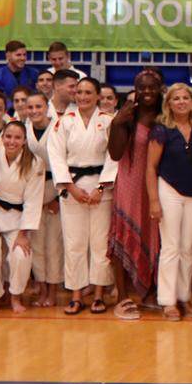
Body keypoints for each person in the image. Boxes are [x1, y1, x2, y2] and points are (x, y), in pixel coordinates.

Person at [47, 77, 119, 316]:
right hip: (73, 187)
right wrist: (70, 187)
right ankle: (76, 295)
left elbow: (115, 156)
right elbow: (56, 157)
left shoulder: (109, 121)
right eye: (79, 92)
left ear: (98, 95)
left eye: (89, 92)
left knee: (100, 243)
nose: (83, 96)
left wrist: (101, 188)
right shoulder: (63, 123)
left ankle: (98, 294)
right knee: (74, 243)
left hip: (101, 187)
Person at [146, 83, 192, 321]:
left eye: (185, 98)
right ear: (169, 103)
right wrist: (153, 201)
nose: (181, 102)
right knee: (171, 247)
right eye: (176, 99)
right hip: (168, 188)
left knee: (187, 248)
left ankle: (185, 296)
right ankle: (167, 301)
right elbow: (150, 167)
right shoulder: (161, 129)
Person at [107, 70, 164, 321]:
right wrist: (118, 122)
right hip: (131, 183)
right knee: (124, 237)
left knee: (154, 237)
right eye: (143, 88)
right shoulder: (128, 116)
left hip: (159, 185)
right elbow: (116, 154)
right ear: (135, 89)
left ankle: (149, 292)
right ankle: (122, 296)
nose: (148, 92)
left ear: (161, 89)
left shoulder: (166, 116)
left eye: (153, 88)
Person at [0, 121, 44, 314]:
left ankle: (16, 296)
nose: (12, 141)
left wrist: (24, 233)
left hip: (18, 218)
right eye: (8, 136)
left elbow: (33, 200)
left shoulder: (34, 162)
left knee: (20, 255)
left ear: (24, 140)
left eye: (17, 137)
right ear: (2, 137)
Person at [23, 92, 63, 307]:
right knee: (36, 245)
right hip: (31, 191)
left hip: (54, 188)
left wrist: (58, 196)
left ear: (46, 107)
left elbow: (65, 162)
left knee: (53, 245)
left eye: (39, 107)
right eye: (31, 107)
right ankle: (42, 290)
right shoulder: (23, 128)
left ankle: (54, 291)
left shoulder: (58, 128)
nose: (35, 111)